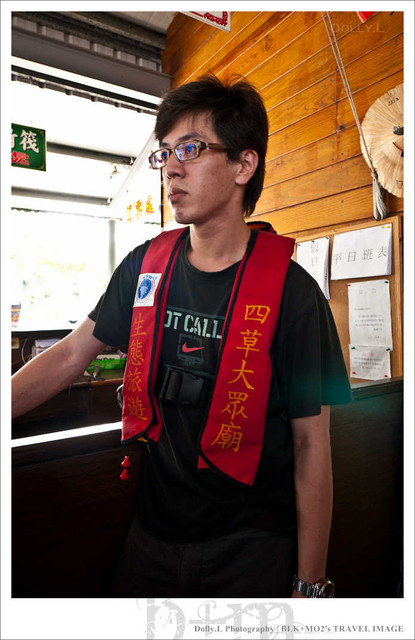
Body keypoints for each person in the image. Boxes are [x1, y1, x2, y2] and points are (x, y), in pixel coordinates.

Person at [12, 75, 352, 598]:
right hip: (153, 531)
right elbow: (71, 354)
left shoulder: (294, 294)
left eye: (190, 149)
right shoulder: (145, 266)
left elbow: (311, 445)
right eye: (165, 153)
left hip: (253, 544)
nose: (171, 167)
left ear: (244, 165)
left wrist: (310, 585)